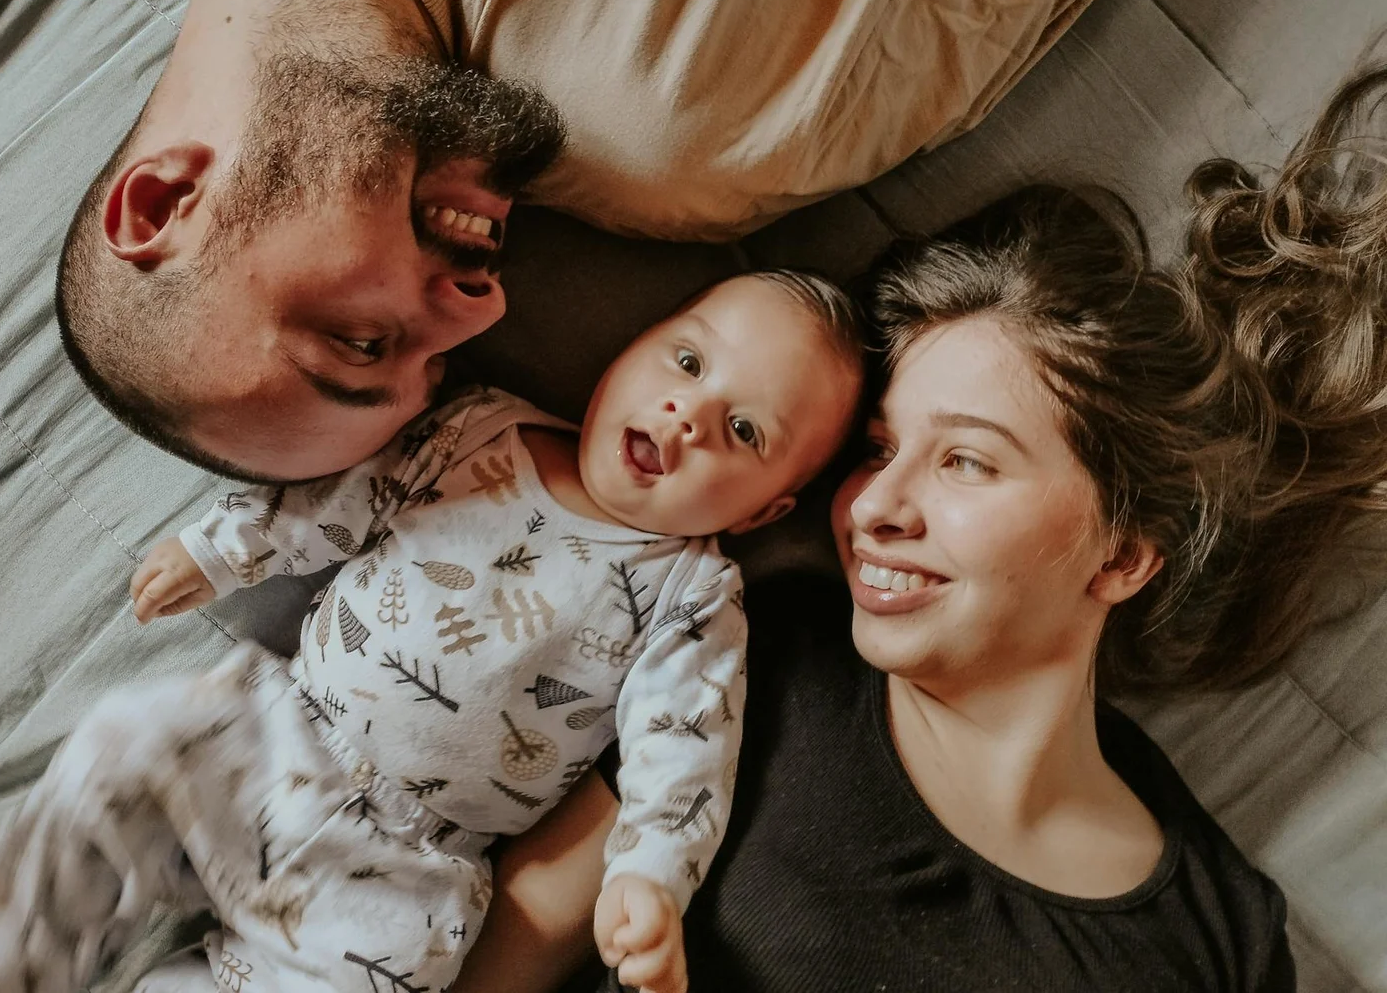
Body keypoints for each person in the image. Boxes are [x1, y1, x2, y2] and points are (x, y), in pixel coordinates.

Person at [444, 63, 1387, 993]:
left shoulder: (1221, 938)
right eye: (879, 449)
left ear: (1123, 554)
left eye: (965, 460)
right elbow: (505, 956)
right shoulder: (751, 661)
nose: (871, 507)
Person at [0, 272, 865, 993]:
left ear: (763, 512)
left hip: (405, 865)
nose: (689, 415)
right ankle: (17, 950)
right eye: (688, 362)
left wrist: (652, 878)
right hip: (272, 735)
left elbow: (686, 751)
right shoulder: (480, 429)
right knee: (125, 748)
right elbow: (340, 500)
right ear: (635, 346)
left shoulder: (693, 596)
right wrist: (223, 549)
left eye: (744, 430)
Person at [55, 0, 1127, 482]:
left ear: (164, 205)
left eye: (363, 342)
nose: (480, 308)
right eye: (432, 369)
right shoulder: (680, 124)